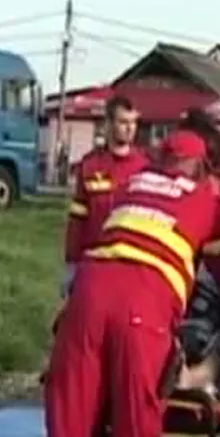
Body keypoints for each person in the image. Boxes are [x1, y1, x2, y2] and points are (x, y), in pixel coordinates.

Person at [29, 130, 220, 437]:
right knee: (135, 435)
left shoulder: (131, 186)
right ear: (199, 167)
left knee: (67, 435)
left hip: (86, 304)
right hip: (142, 310)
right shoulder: (205, 197)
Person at [61, 96, 149, 298]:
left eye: (134, 122)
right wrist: (71, 263)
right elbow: (77, 218)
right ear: (108, 124)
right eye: (123, 122)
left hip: (130, 266)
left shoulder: (145, 167)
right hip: (94, 264)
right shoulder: (90, 166)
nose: (130, 128)